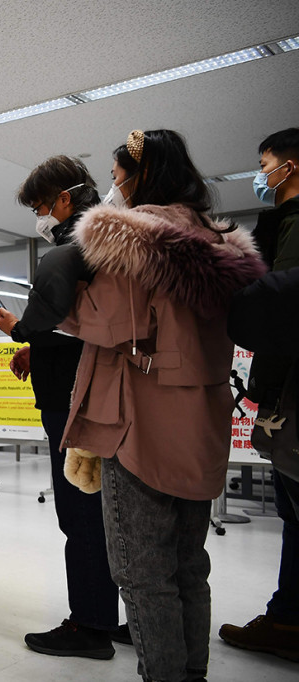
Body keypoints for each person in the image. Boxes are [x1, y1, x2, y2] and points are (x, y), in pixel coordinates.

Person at [57, 130, 265, 681]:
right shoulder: (217, 242)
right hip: (202, 420)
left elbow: (106, 321)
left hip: (139, 420)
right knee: (189, 566)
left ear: (140, 174)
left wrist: (60, 299)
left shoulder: (132, 237)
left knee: (142, 572)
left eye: (117, 174)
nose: (114, 186)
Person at [0, 156, 129, 659]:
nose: (39, 217)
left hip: (75, 402)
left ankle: (90, 626)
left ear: (65, 200)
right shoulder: (107, 244)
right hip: (96, 393)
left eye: (40, 207)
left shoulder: (76, 249)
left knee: (81, 513)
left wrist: (21, 331)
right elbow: (84, 328)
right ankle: (123, 616)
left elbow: (62, 322)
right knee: (107, 512)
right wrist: (39, 348)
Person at [219, 127, 299, 662]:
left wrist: (235, 297)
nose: (262, 174)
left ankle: (287, 622)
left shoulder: (293, 225)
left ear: (291, 167)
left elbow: (282, 303)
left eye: (266, 164)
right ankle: (286, 615)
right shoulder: (283, 225)